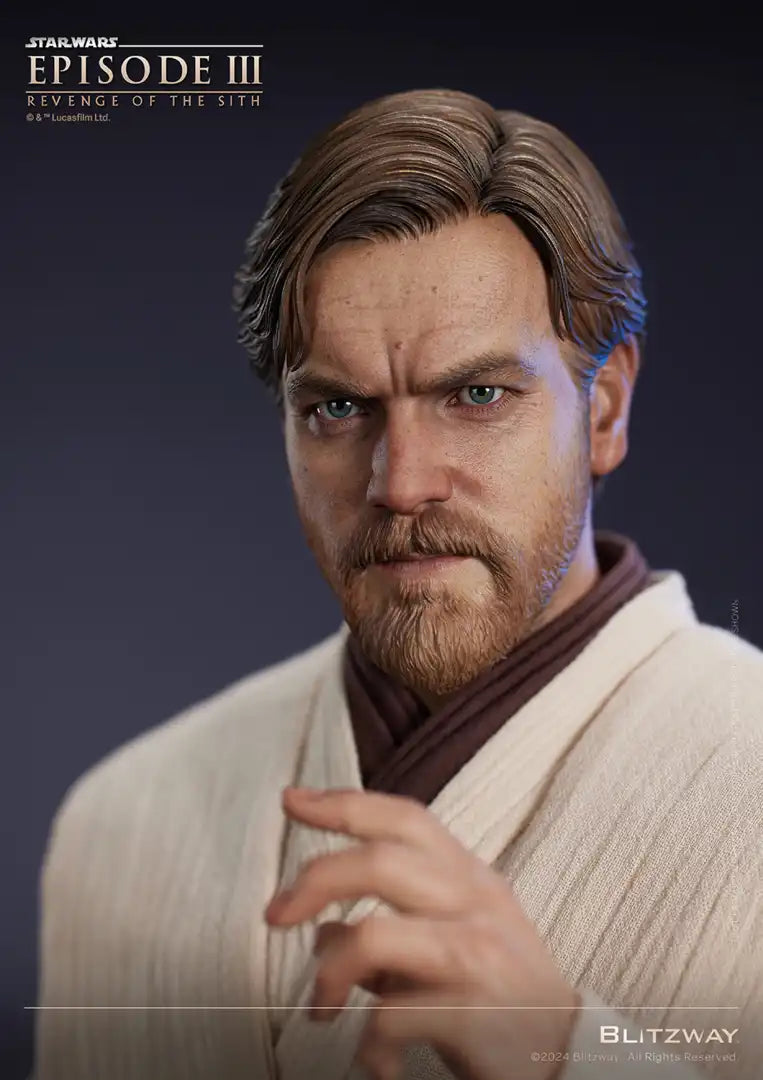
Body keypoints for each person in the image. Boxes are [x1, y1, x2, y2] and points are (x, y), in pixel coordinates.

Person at [33, 89, 762, 1080]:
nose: (400, 482)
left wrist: (566, 1053)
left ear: (604, 410)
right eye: (337, 409)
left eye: (476, 394)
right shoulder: (122, 827)